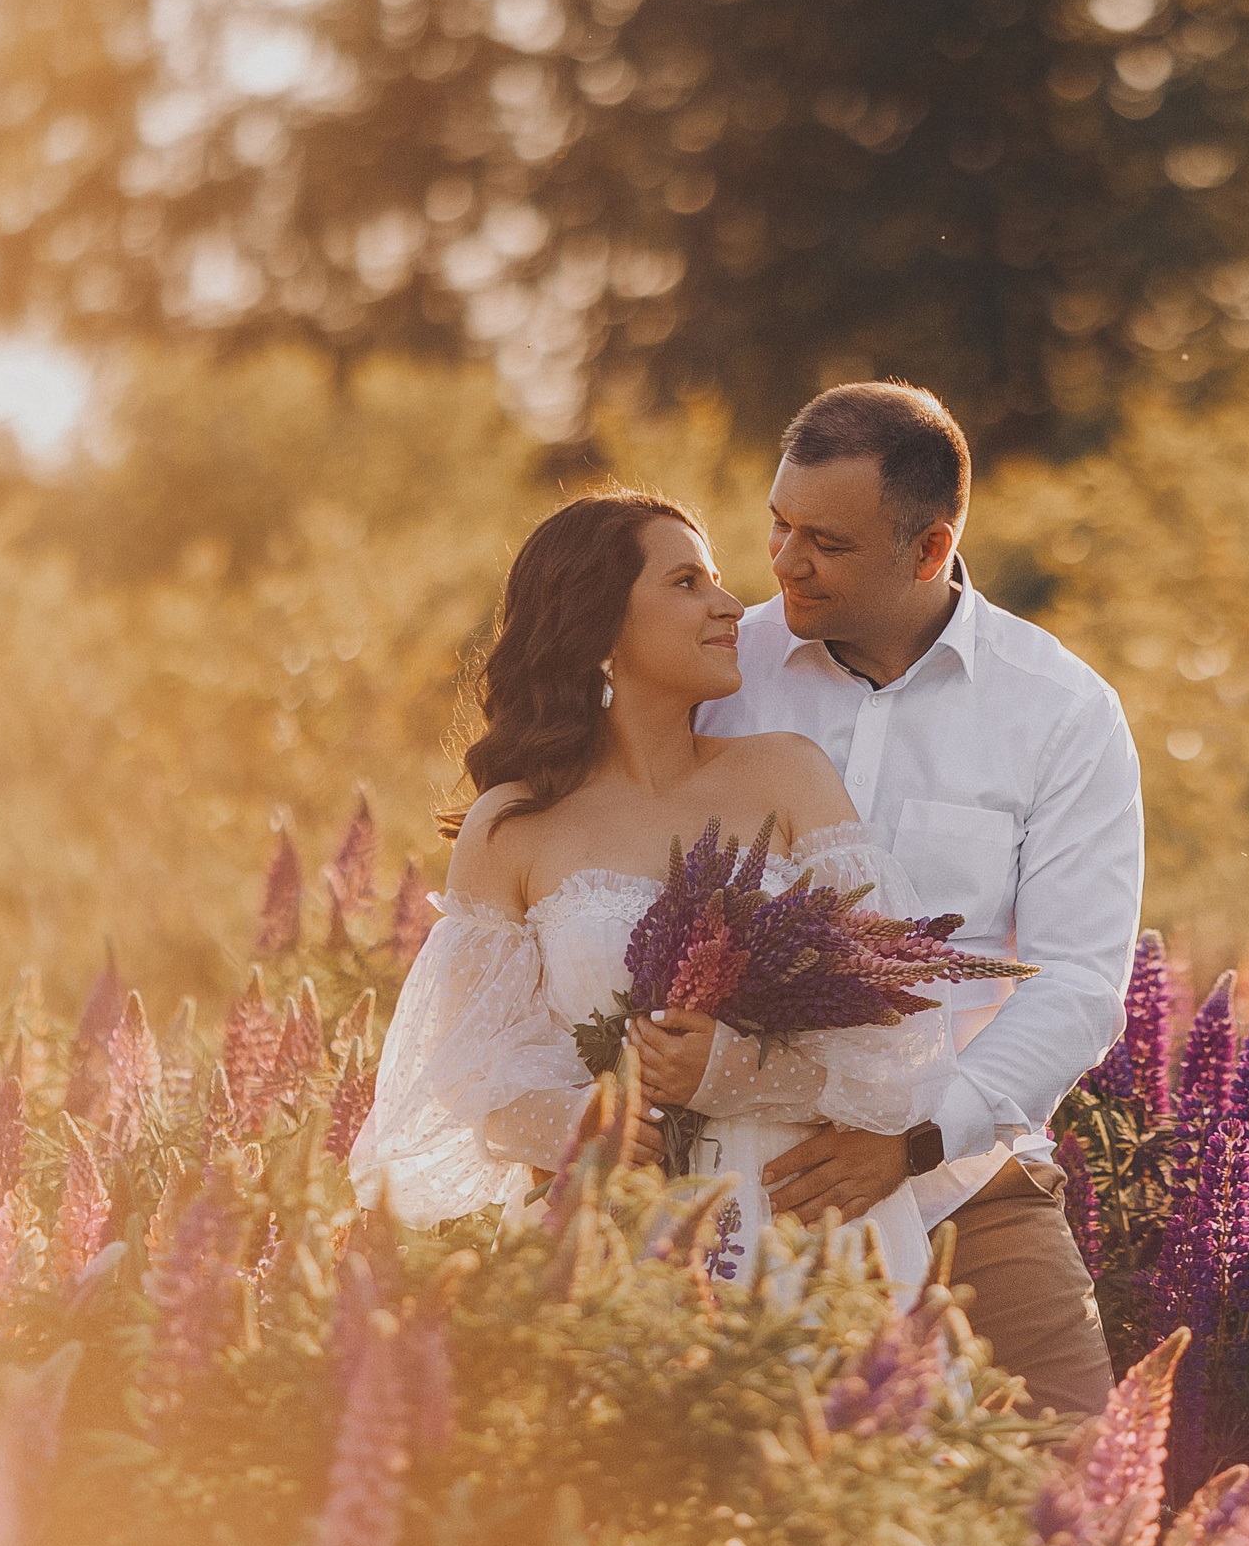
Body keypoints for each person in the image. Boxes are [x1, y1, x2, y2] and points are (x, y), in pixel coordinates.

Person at [663, 380, 1144, 1417]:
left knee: (1071, 1464)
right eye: (780, 524)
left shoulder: (1060, 711)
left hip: (959, 1179)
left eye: (826, 543)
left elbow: (1076, 984)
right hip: (730, 1176)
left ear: (929, 550)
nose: (784, 561)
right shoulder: (716, 670)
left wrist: (913, 1138)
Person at [348, 491, 958, 1289]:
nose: (730, 605)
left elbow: (901, 1043)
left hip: (795, 1234)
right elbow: (468, 1076)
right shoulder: (511, 826)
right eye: (686, 583)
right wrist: (578, 1122)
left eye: (716, 581)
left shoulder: (787, 774)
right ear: (597, 623)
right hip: (610, 1245)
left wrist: (732, 1071)